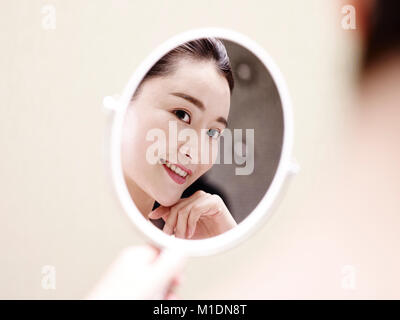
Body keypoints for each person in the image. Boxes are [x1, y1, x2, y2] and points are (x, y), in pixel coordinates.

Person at [121, 38, 237, 240]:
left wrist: (222, 246)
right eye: (182, 115)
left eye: (212, 132)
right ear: (124, 99)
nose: (195, 153)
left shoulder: (175, 250)